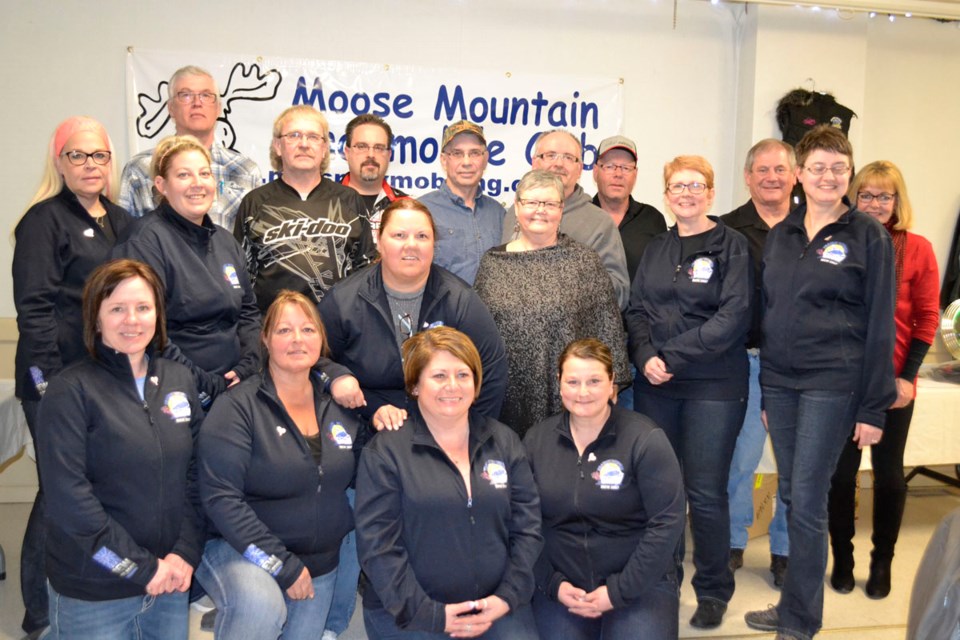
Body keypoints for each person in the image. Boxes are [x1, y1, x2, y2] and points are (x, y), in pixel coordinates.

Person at [745, 126, 896, 640]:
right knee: (792, 495)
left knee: (805, 498)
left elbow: (881, 324)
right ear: (799, 176)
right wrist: (767, 389)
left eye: (838, 167)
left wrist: (873, 408)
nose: (828, 176)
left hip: (833, 384)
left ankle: (799, 621)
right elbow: (770, 315)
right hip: (783, 384)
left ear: (848, 174)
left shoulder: (867, 236)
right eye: (818, 167)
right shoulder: (784, 233)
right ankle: (794, 605)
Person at [36, 259, 204, 639]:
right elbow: (69, 502)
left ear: (158, 314)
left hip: (171, 580)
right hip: (95, 589)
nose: (132, 320)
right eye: (117, 309)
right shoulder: (70, 391)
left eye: (143, 308)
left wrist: (184, 553)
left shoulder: (179, 379)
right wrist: (142, 569)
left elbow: (197, 476)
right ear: (95, 318)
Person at [12, 115, 131, 639]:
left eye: (99, 156)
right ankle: (39, 613)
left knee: (94, 489)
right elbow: (34, 309)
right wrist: (46, 382)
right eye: (78, 155)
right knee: (59, 491)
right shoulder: (43, 221)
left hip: (108, 379)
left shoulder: (123, 222)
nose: (90, 165)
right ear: (60, 162)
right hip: (57, 381)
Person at [625, 155, 752, 630]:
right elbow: (637, 310)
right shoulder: (658, 246)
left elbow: (732, 317)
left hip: (714, 386)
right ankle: (664, 583)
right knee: (663, 490)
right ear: (667, 194)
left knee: (705, 491)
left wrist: (670, 357)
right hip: (657, 384)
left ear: (711, 192)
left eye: (696, 185)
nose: (687, 193)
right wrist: (644, 357)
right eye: (678, 186)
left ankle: (714, 589)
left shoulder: (731, 246)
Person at [196, 291, 365, 639]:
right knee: (260, 607)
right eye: (284, 331)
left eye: (307, 330)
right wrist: (282, 565)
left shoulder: (339, 406)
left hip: (319, 564)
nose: (297, 339)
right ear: (265, 339)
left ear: (321, 339)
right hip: (242, 550)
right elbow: (220, 499)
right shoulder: (238, 407)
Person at [355, 326, 542, 639]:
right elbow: (378, 546)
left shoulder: (504, 441)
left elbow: (528, 528)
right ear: (414, 385)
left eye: (463, 375)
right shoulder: (387, 451)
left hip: (497, 607)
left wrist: (507, 597)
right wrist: (430, 614)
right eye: (439, 376)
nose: (452, 386)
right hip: (412, 613)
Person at [827, 160, 939, 599]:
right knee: (840, 477)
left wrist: (908, 377)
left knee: (890, 476)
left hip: (893, 380)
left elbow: (928, 316)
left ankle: (882, 562)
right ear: (853, 198)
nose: (874, 204)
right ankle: (844, 557)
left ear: (897, 201)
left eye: (884, 196)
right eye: (866, 195)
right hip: (842, 381)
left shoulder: (918, 248)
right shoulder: (838, 242)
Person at [523, 338, 685, 640]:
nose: (582, 392)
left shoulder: (645, 439)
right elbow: (523, 523)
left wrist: (619, 591)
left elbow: (667, 523)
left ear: (612, 384)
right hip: (562, 586)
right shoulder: (536, 441)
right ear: (559, 383)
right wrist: (553, 583)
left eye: (594, 381)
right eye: (573, 381)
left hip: (639, 582)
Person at [319, 198, 508, 427]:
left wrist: (468, 433)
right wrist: (338, 378)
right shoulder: (343, 300)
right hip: (364, 427)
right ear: (379, 241)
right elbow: (313, 360)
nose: (411, 245)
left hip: (442, 431)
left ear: (433, 244)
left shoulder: (461, 300)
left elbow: (492, 373)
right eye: (399, 235)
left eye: (422, 236)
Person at [475, 170, 630, 437]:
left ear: (561, 209)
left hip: (568, 393)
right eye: (532, 202)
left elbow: (607, 326)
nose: (540, 211)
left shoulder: (584, 261)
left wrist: (609, 383)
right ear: (518, 205)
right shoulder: (493, 263)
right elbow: (477, 333)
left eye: (549, 203)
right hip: (505, 394)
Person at [114, 135, 261, 407]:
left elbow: (248, 312)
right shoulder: (144, 242)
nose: (197, 183)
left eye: (204, 174)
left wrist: (249, 365)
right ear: (161, 185)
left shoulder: (226, 242)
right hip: (174, 392)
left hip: (236, 388)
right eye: (183, 175)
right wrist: (205, 383)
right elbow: (149, 330)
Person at [722, 139, 795, 587]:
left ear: (795, 176)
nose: (771, 177)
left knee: (795, 463)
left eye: (779, 169)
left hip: (797, 366)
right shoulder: (726, 229)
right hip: (745, 361)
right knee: (739, 460)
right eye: (762, 169)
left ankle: (785, 550)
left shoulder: (816, 227)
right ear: (748, 176)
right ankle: (732, 541)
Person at [235, 105, 375, 313]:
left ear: (324, 147)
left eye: (313, 137)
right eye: (294, 135)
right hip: (272, 331)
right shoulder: (254, 203)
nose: (303, 144)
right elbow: (240, 277)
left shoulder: (349, 200)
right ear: (278, 146)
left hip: (337, 331)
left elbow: (366, 271)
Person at [119, 65, 262, 229]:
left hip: (226, 255)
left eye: (206, 95)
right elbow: (125, 237)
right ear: (171, 108)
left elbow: (253, 242)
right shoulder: (140, 169)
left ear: (218, 108)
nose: (197, 103)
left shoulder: (245, 170)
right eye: (186, 95)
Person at [501, 130, 630, 309]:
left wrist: (570, 277)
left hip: (575, 334)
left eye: (569, 157)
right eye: (550, 155)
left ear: (579, 169)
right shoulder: (513, 214)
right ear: (534, 162)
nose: (559, 164)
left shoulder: (600, 224)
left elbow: (620, 295)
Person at [417, 120, 505, 284]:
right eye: (457, 153)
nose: (466, 162)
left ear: (485, 159)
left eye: (474, 153)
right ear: (444, 160)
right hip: (442, 309)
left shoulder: (499, 213)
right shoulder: (421, 211)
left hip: (491, 310)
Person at [591, 135, 667, 282]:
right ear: (595, 172)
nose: (618, 174)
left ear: (635, 174)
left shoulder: (652, 219)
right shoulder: (580, 217)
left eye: (626, 168)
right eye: (610, 166)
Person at [340, 113, 409, 245]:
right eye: (361, 146)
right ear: (347, 153)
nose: (371, 155)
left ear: (389, 155)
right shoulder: (325, 202)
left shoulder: (407, 207)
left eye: (379, 148)